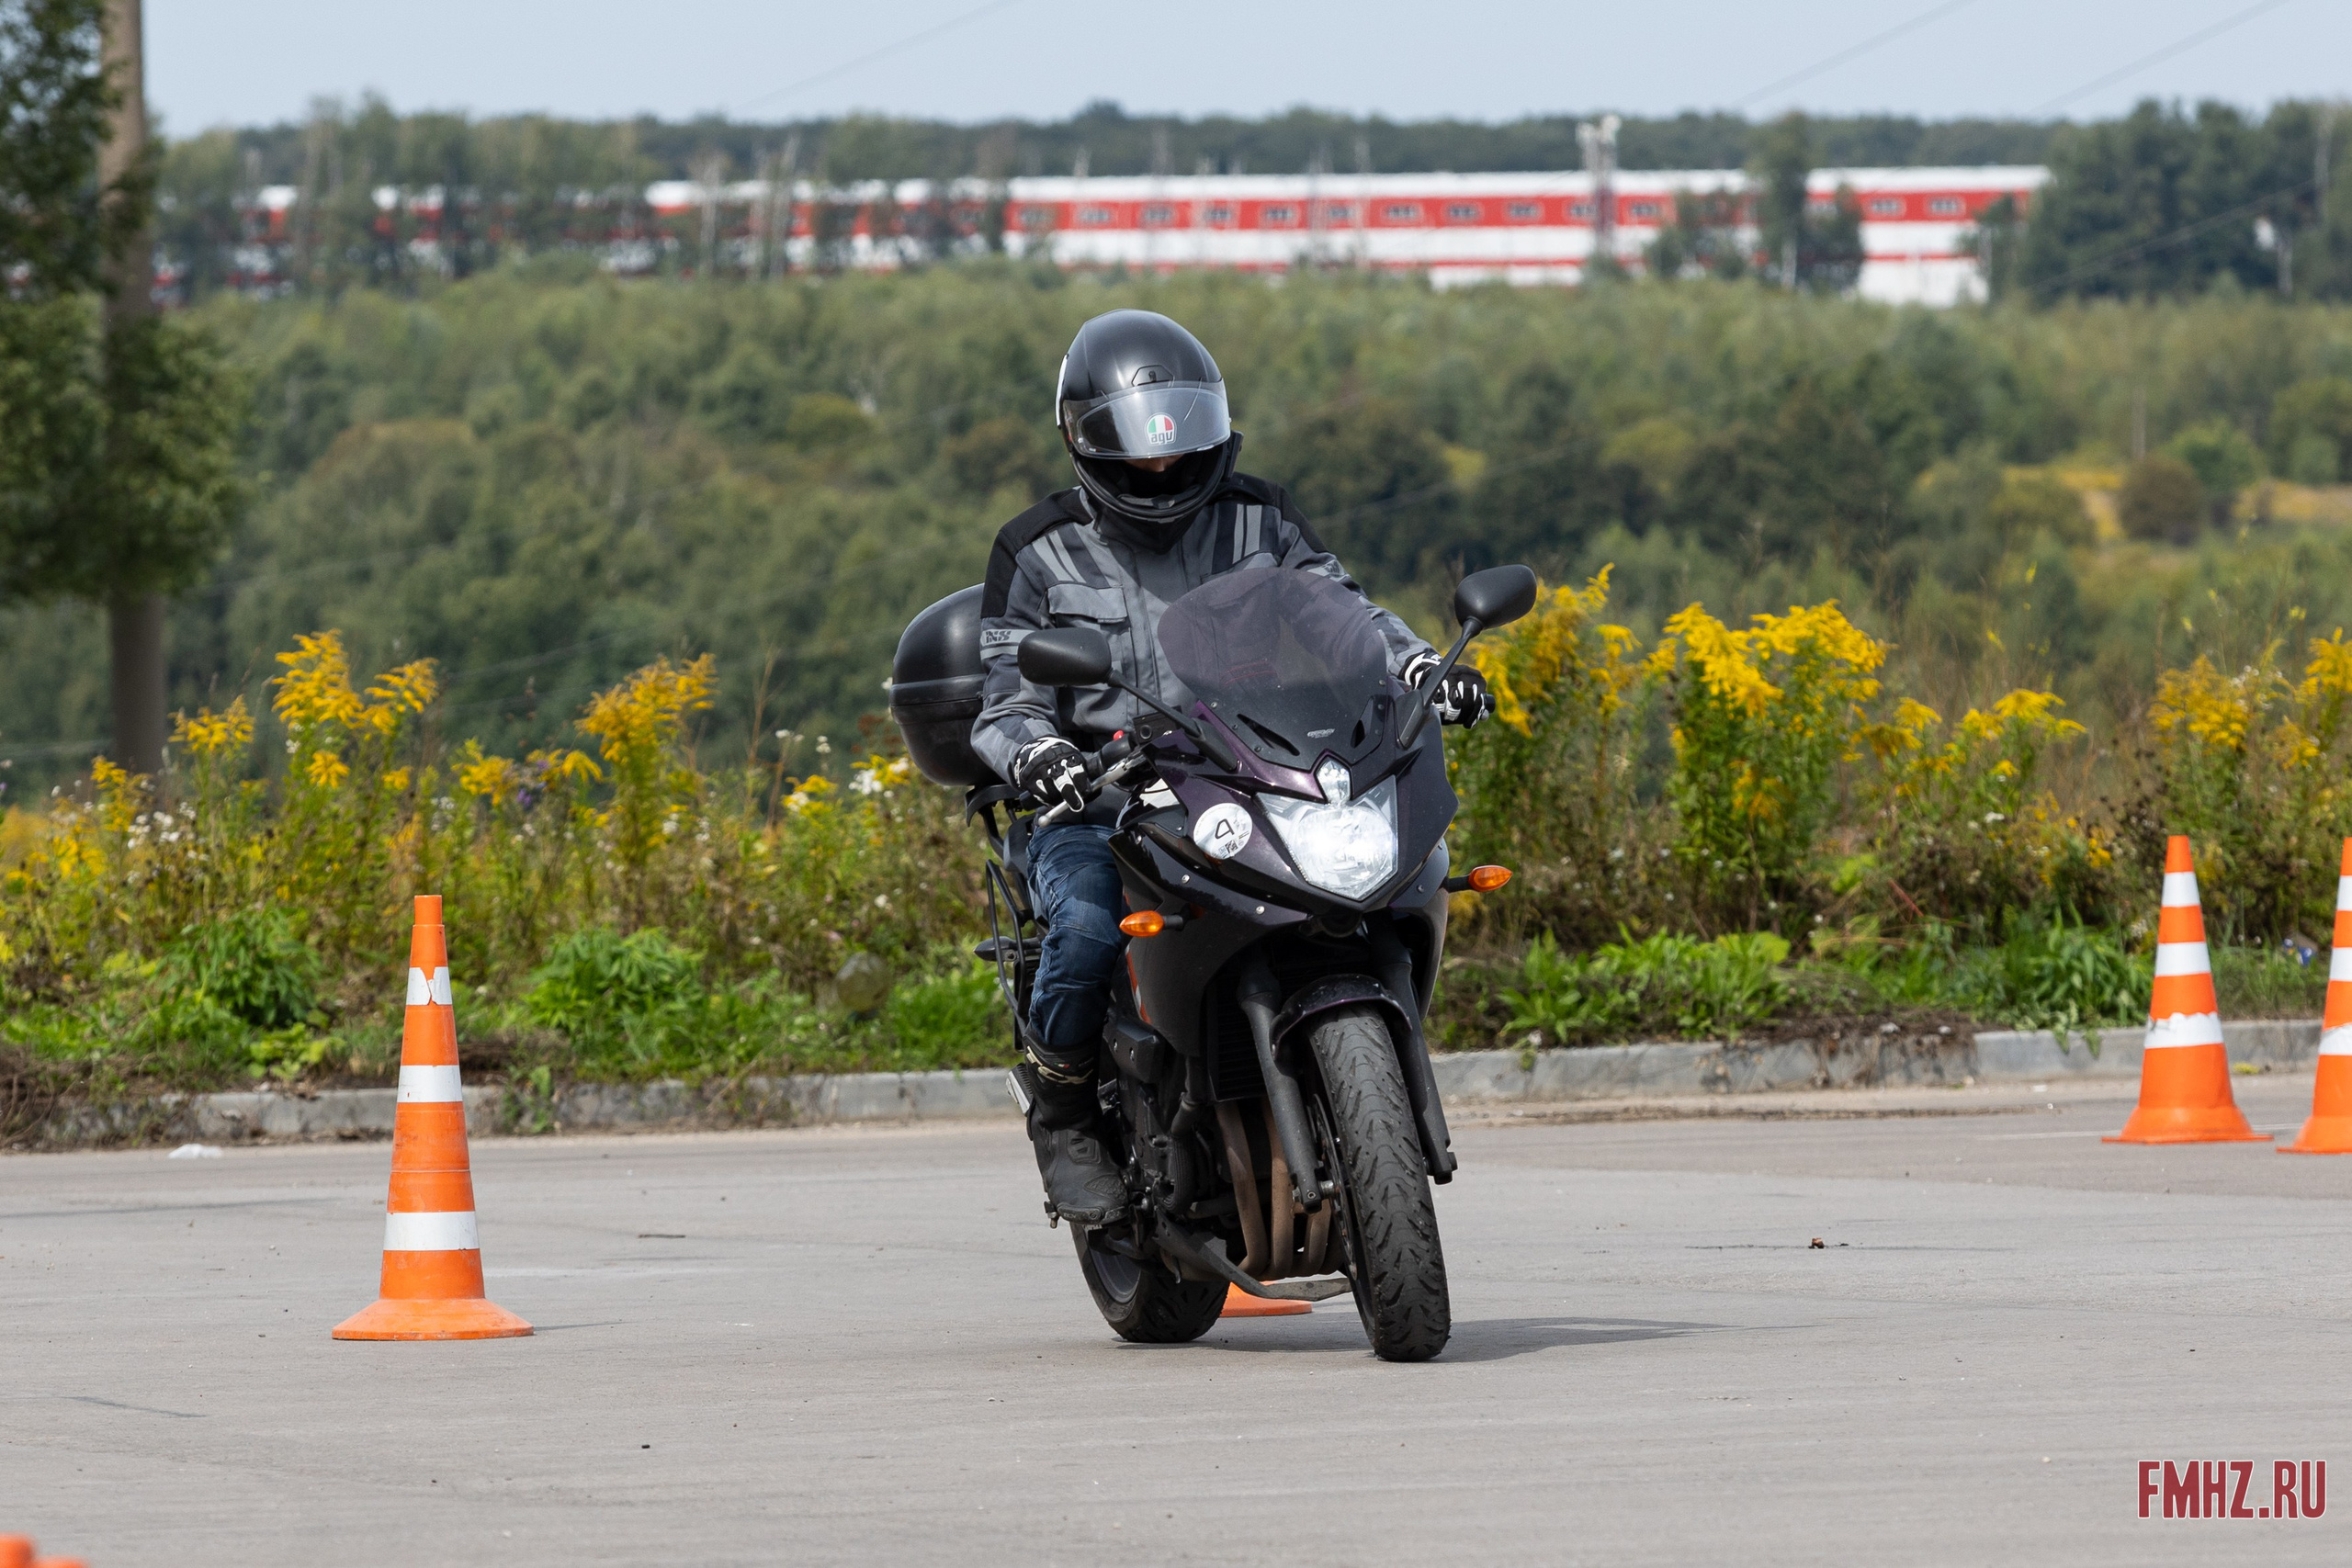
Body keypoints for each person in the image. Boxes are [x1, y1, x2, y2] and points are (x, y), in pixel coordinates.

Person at [970, 309, 1492, 1224]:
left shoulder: (1258, 515)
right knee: (1089, 928)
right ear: (1080, 438)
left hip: (1249, 773)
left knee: (1370, 886)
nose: (1162, 466)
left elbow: (1343, 614)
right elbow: (1006, 695)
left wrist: (1417, 667)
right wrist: (1042, 754)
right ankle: (1063, 1116)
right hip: (1102, 801)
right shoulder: (1035, 549)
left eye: (1178, 440)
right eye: (1136, 448)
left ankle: (1335, 1079)